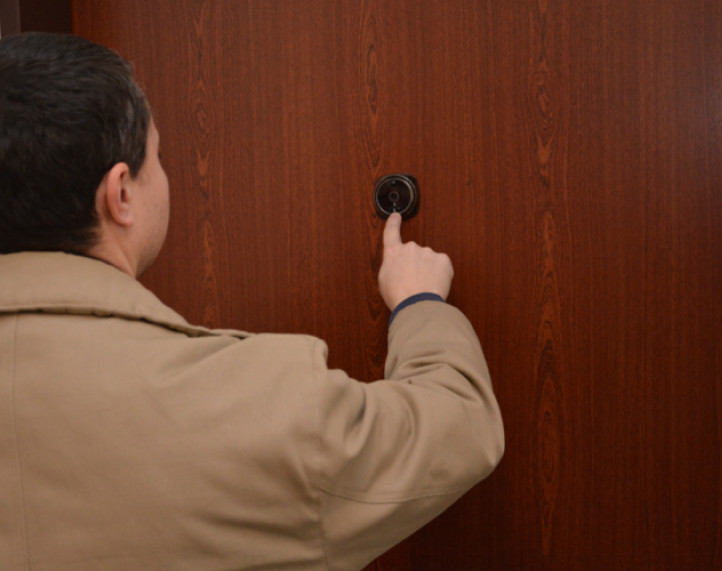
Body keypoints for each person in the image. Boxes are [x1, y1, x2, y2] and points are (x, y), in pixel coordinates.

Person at [0, 32, 503, 571]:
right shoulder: (253, 405)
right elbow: (459, 427)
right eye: (158, 156)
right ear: (120, 193)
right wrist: (419, 304)